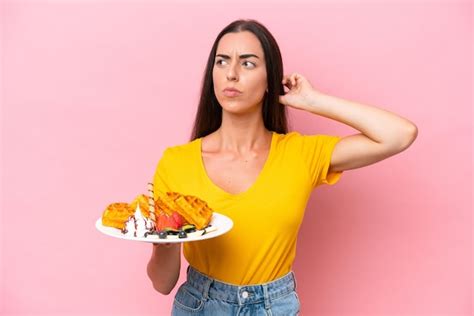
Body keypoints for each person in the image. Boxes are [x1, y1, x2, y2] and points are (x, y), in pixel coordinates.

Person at [146, 19, 418, 316]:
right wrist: (165, 241)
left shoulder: (300, 153)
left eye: (248, 64)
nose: (232, 74)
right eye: (222, 62)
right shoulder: (176, 162)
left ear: (270, 79)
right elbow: (163, 282)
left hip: (274, 307)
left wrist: (313, 101)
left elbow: (399, 134)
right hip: (199, 305)